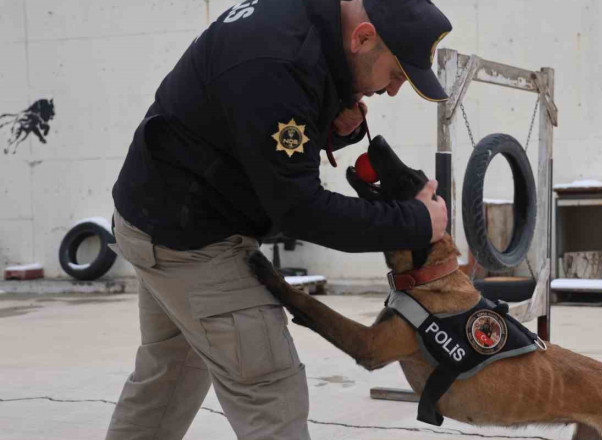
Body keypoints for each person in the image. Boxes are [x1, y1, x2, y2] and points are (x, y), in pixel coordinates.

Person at [105, 0, 451, 438]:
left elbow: (251, 127)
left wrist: (326, 120)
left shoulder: (301, 22)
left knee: (167, 382)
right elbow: (302, 211)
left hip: (153, 218)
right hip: (192, 242)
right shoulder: (278, 63)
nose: (393, 90)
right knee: (272, 394)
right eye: (397, 75)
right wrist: (419, 223)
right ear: (363, 38)